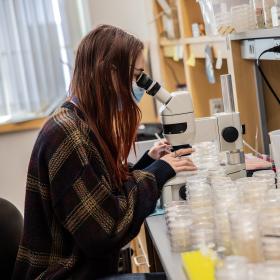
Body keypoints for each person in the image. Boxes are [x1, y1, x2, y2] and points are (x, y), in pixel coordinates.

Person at [12, 25, 196, 280]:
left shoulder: (80, 119)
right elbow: (104, 230)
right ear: (109, 73)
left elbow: (104, 193)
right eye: (136, 76)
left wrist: (148, 163)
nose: (140, 86)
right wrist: (159, 172)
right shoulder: (67, 134)